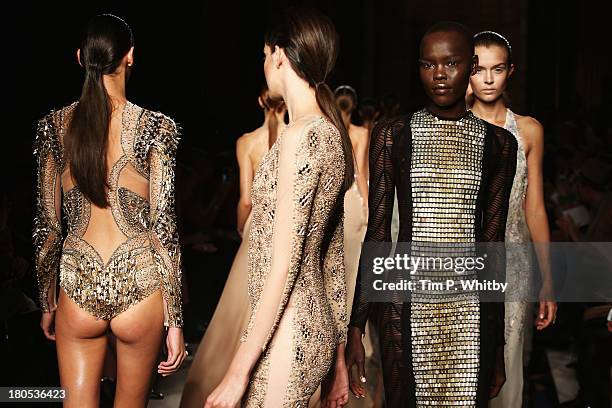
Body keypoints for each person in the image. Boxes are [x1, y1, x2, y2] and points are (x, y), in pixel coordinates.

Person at [345, 22, 517, 407]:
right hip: (403, 306)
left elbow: (494, 249)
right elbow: (377, 234)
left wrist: (498, 345)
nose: (439, 75)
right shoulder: (393, 133)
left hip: (469, 310)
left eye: (451, 63)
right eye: (428, 64)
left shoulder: (499, 145)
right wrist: (356, 326)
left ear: (471, 66)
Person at [33, 14, 186, 407]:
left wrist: (48, 301)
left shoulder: (55, 127)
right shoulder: (155, 127)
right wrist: (176, 318)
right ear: (130, 57)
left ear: (81, 57)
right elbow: (163, 227)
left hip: (77, 286)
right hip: (140, 287)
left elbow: (47, 227)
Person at [205, 7, 352, 407]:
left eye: (264, 54)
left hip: (288, 332)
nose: (264, 64)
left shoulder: (298, 139)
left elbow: (284, 263)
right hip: (313, 327)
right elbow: (332, 259)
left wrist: (237, 374)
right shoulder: (329, 132)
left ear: (279, 55)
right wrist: (338, 360)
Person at [180, 86, 286, 407]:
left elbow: (245, 200)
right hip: (288, 231)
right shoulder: (300, 138)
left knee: (239, 315)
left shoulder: (247, 142)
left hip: (257, 231)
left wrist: (244, 229)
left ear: (259, 101)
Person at [468, 30, 558, 408]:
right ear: (466, 72)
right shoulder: (449, 125)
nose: (488, 79)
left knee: (508, 370)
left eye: (497, 69)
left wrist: (548, 281)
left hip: (514, 265)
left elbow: (533, 206)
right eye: (479, 69)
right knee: (462, 370)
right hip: (460, 261)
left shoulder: (529, 130)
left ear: (510, 72)